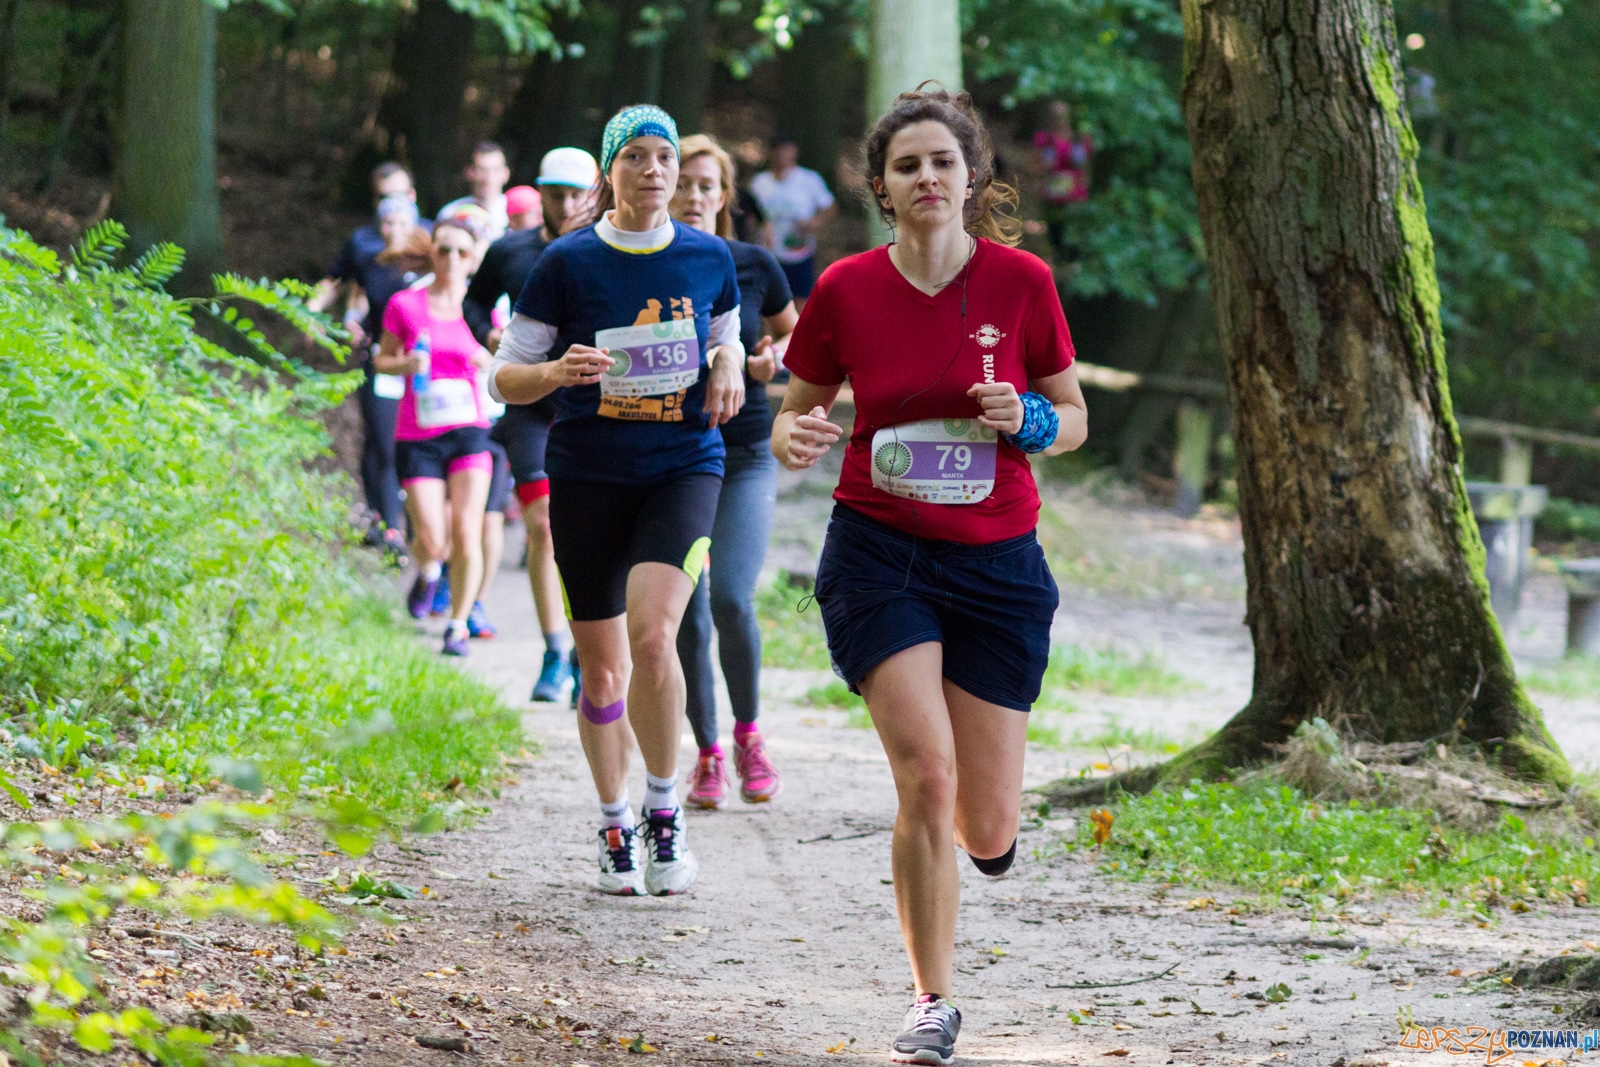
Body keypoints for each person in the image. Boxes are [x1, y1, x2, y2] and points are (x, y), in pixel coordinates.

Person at [771, 87, 1088, 1065]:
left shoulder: (1023, 282)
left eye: (941, 162)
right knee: (926, 771)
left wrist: (1028, 421)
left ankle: (982, 850)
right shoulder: (845, 291)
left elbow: (1072, 415)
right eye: (906, 166)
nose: (926, 179)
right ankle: (930, 998)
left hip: (997, 561)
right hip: (880, 551)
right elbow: (797, 406)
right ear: (880, 187)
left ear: (971, 177)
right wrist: (793, 433)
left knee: (984, 820)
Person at [489, 105, 745, 897]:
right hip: (590, 473)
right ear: (612, 172)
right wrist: (557, 372)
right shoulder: (566, 263)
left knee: (656, 635)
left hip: (682, 466)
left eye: (663, 155)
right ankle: (612, 820)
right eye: (634, 155)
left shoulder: (710, 256)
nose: (653, 169)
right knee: (601, 671)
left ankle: (663, 809)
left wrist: (730, 359)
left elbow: (725, 333)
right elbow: (506, 375)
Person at [667, 134, 797, 810]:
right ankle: (708, 753)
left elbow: (794, 335)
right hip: (670, 455)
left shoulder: (753, 263)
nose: (693, 195)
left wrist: (773, 357)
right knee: (686, 601)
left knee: (730, 597)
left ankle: (749, 736)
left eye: (706, 184)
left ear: (725, 196)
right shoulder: (647, 264)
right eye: (684, 181)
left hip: (744, 453)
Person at [464, 146, 601, 702]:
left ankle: (589, 652)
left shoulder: (605, 251)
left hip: (591, 409)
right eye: (555, 194)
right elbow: (475, 306)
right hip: (528, 406)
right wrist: (491, 338)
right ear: (538, 194)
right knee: (543, 523)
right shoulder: (510, 250)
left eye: (576, 195)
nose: (566, 205)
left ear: (593, 196)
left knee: (590, 532)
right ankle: (554, 653)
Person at [374, 215, 498, 657]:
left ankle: (459, 624)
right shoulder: (405, 305)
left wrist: (489, 363)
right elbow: (381, 360)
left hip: (470, 430)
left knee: (467, 531)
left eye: (462, 252)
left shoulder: (481, 311)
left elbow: (508, 356)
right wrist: (406, 364)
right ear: (432, 253)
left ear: (474, 260)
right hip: (418, 432)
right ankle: (429, 573)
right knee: (432, 536)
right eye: (443, 249)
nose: (451, 259)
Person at [748, 135, 836, 309]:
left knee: (801, 302)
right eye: (778, 150)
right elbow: (749, 214)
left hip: (800, 251)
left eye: (786, 149)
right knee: (770, 303)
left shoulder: (809, 180)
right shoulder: (758, 183)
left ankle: (799, 335)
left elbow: (830, 207)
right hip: (768, 254)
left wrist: (813, 223)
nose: (782, 154)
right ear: (771, 153)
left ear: (795, 151)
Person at [1032, 101, 1092, 261]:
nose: (1059, 119)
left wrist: (1084, 184)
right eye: (1055, 115)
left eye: (1062, 115)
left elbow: (1085, 168)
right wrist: (1042, 173)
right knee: (1055, 234)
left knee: (1073, 234)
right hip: (1053, 195)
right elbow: (1036, 166)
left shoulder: (1079, 139)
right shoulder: (1045, 139)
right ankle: (1059, 262)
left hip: (1074, 195)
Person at [438, 141, 512, 240]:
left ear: (506, 174)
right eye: (481, 169)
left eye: (495, 170)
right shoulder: (450, 213)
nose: (488, 177)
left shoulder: (514, 213)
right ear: (469, 172)